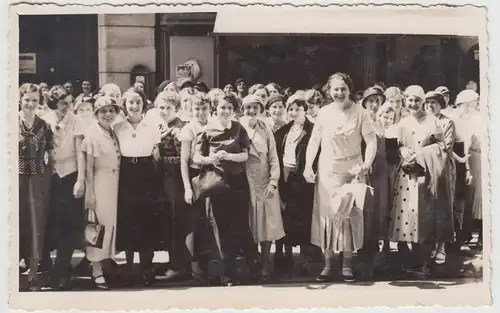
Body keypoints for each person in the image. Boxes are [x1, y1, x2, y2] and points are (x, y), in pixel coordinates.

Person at [304, 73, 377, 283]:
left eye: (343, 89)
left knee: (348, 217)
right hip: (328, 171)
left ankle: (347, 265)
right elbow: (314, 140)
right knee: (327, 216)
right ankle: (327, 265)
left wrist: (366, 164)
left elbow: (371, 141)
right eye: (335, 89)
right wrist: (308, 165)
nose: (339, 93)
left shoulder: (360, 112)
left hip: (352, 171)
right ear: (329, 90)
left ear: (349, 90)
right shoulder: (324, 113)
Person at [193, 92, 257, 286]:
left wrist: (229, 156)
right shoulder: (207, 130)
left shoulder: (238, 128)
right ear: (215, 109)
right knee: (220, 227)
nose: (226, 111)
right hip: (216, 184)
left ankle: (249, 269)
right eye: (222, 107)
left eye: (229, 108)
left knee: (240, 225)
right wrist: (209, 159)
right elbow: (196, 158)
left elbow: (245, 155)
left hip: (237, 183)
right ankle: (226, 273)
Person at [389, 85, 454, 275]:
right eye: (410, 100)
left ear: (423, 102)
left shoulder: (432, 121)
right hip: (407, 170)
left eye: (417, 100)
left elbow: (442, 145)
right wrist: (402, 150)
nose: (413, 104)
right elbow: (398, 145)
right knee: (405, 208)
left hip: (424, 171)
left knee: (420, 210)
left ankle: (420, 254)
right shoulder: (402, 123)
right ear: (405, 101)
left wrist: (425, 150)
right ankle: (403, 251)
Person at [114, 89, 162, 286]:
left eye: (138, 102)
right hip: (126, 173)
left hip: (146, 171)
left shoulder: (151, 126)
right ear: (125, 105)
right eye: (130, 103)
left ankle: (146, 268)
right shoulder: (117, 126)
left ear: (144, 103)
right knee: (128, 219)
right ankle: (129, 268)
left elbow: (157, 153)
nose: (134, 106)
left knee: (146, 219)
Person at [44, 85, 86, 290]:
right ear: (54, 104)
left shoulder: (76, 121)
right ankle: (55, 267)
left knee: (68, 226)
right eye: (63, 104)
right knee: (53, 224)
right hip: (50, 177)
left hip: (70, 176)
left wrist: (81, 179)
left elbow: (80, 152)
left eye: (70, 103)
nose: (68, 107)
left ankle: (61, 271)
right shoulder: (46, 119)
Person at [240, 95, 285, 282]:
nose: (251, 111)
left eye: (255, 108)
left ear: (260, 109)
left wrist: (273, 181)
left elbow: (274, 157)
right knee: (249, 224)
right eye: (247, 108)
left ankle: (266, 263)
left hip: (265, 181)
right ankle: (252, 263)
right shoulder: (237, 127)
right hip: (245, 183)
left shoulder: (265, 128)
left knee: (267, 224)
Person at [274, 96, 317, 277]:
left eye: (297, 109)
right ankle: (284, 255)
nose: (293, 113)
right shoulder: (284, 130)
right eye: (290, 109)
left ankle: (307, 259)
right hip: (285, 174)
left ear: (304, 110)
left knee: (303, 215)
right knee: (284, 214)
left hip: (303, 176)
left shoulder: (313, 130)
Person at [81, 97, 121, 290]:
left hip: (114, 182)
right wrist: (91, 193)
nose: (108, 114)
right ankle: (96, 270)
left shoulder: (112, 131)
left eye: (111, 110)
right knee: (97, 226)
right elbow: (89, 167)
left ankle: (104, 264)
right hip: (99, 182)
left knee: (109, 225)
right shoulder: (92, 134)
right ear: (96, 113)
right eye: (103, 111)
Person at [18, 83, 53, 291]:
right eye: (27, 99)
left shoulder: (44, 125)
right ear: (20, 99)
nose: (30, 103)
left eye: (34, 99)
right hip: (15, 178)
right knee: (14, 222)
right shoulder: (9, 121)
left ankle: (33, 274)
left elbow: (50, 150)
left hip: (38, 178)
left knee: (35, 224)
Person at [153, 91, 191, 281]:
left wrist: (161, 160)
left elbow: (183, 158)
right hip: (162, 181)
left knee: (177, 222)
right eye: (161, 107)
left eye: (168, 108)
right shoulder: (158, 125)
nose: (164, 111)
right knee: (167, 222)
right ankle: (172, 261)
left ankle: (179, 265)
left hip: (175, 180)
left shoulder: (180, 128)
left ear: (176, 109)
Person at [178, 93, 212, 284]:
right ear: (191, 110)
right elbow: (184, 161)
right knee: (194, 223)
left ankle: (208, 265)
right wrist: (187, 188)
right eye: (197, 108)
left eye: (204, 108)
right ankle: (195, 268)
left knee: (209, 220)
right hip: (194, 176)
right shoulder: (189, 129)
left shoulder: (214, 124)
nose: (200, 112)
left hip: (212, 176)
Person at [423, 90, 457, 264]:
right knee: (427, 206)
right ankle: (430, 245)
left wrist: (429, 141)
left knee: (442, 204)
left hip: (442, 168)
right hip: (424, 168)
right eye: (427, 102)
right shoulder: (422, 120)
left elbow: (447, 146)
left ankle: (441, 246)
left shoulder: (447, 122)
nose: (429, 106)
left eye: (434, 102)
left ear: (440, 104)